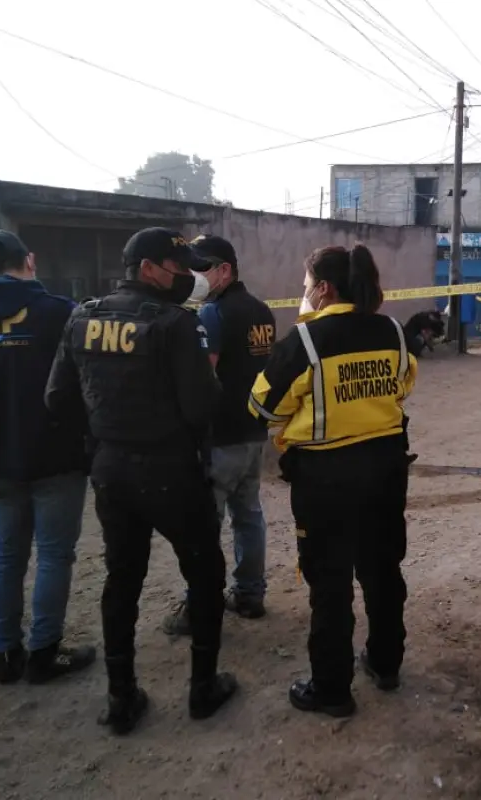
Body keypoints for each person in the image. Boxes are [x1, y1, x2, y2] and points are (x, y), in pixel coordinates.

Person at [45, 227, 237, 735]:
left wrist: (104, 426)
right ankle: (202, 688)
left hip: (111, 469)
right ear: (149, 268)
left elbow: (57, 400)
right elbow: (202, 406)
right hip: (171, 469)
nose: (187, 277)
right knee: (204, 572)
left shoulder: (81, 317)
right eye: (179, 267)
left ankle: (121, 696)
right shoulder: (172, 324)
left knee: (122, 581)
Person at [248, 243, 415, 718]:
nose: (303, 296)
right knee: (383, 570)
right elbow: (404, 386)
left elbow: (261, 406)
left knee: (330, 581)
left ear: (323, 289)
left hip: (326, 479)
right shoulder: (393, 331)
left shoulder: (303, 342)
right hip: (385, 470)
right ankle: (386, 665)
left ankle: (332, 688)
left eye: (306, 287)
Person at [0, 230, 96, 685]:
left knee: (6, 554)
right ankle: (44, 652)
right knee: (54, 554)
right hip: (55, 454)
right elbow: (84, 384)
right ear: (29, 260)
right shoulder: (59, 313)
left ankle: (6, 653)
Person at [163, 235, 274, 635]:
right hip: (252, 431)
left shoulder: (212, 313)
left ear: (225, 270)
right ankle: (250, 594)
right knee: (248, 516)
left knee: (203, 526)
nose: (195, 276)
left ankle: (200, 607)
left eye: (202, 268)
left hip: (220, 438)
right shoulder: (261, 310)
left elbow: (202, 376)